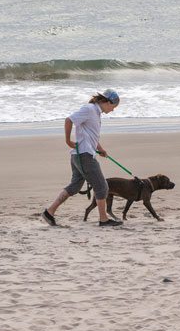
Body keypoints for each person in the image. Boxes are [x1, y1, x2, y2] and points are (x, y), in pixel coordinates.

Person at [41, 89, 122, 227]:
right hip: (84, 155)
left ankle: (49, 212)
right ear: (107, 102)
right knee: (102, 186)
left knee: (75, 186)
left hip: (79, 154)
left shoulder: (96, 113)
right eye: (113, 106)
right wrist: (68, 141)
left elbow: (91, 135)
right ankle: (103, 220)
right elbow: (69, 120)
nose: (113, 110)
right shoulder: (89, 109)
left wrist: (100, 148)